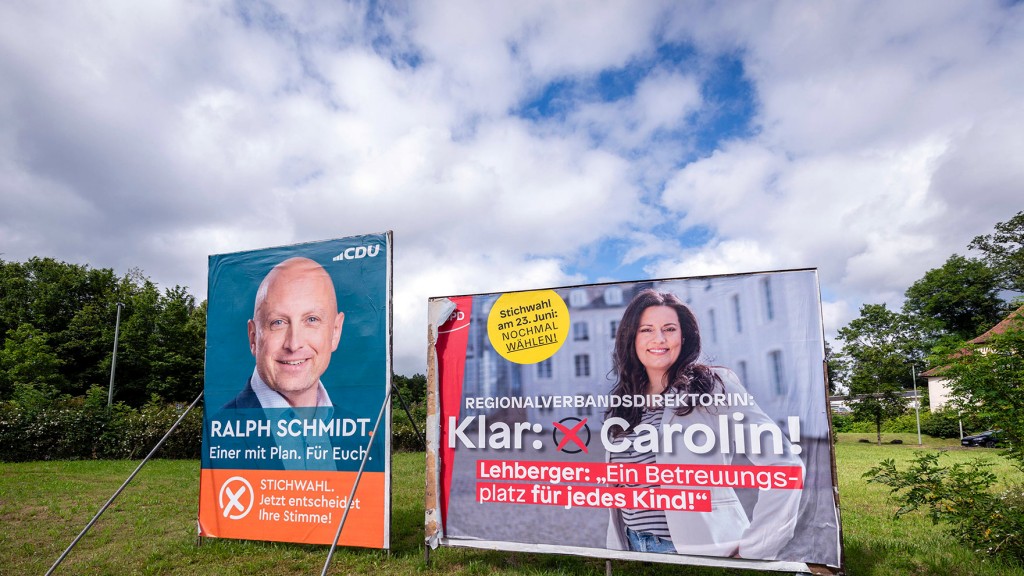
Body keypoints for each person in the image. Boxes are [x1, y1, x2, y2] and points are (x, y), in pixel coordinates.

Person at [604, 288, 803, 559]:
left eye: (669, 329)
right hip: (631, 547)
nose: (658, 339)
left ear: (683, 336)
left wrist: (754, 550)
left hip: (696, 550)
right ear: (631, 338)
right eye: (646, 330)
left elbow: (785, 466)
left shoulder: (712, 385)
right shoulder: (625, 401)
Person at [222, 257, 345, 410]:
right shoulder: (219, 430)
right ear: (253, 338)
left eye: (312, 319)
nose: (294, 344)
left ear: (335, 332)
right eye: (278, 322)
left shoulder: (362, 431)